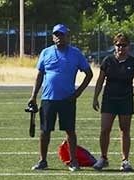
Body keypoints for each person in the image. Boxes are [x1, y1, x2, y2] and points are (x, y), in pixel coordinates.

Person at [28, 24, 93, 171]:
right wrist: (33, 96)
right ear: (52, 37)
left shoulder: (76, 54)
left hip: (67, 99)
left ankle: (73, 161)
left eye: (62, 35)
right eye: (56, 35)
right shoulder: (45, 53)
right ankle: (43, 160)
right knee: (45, 131)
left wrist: (78, 92)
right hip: (48, 98)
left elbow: (89, 74)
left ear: (67, 36)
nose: (59, 37)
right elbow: (39, 76)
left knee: (70, 130)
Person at [91, 33, 134, 172]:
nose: (121, 48)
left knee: (124, 130)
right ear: (114, 46)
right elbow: (100, 80)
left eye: (124, 45)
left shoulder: (133, 63)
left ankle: (125, 160)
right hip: (109, 99)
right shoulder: (108, 61)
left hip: (126, 100)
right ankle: (103, 158)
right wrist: (95, 97)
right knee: (105, 129)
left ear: (129, 46)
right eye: (118, 45)